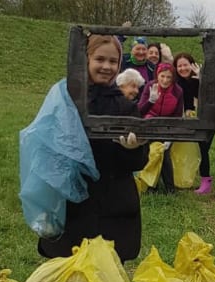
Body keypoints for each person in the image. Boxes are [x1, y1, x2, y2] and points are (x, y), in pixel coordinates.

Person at [38, 34, 148, 263]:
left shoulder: (126, 107)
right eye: (100, 59)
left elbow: (138, 163)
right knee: (68, 277)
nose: (107, 66)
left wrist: (133, 149)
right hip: (72, 206)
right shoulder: (65, 100)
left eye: (113, 61)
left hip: (113, 206)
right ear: (86, 59)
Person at [138, 62, 183, 194]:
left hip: (167, 126)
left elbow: (177, 116)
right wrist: (150, 101)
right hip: (150, 123)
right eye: (162, 76)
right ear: (157, 75)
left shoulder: (178, 91)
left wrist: (170, 136)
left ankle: (170, 188)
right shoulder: (150, 86)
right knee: (151, 154)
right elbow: (140, 110)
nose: (165, 80)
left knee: (164, 155)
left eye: (169, 77)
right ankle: (151, 186)